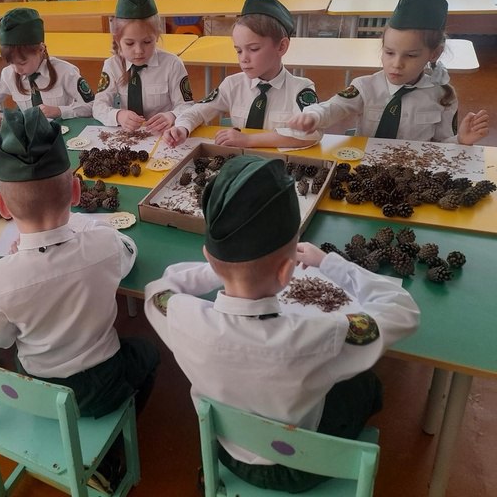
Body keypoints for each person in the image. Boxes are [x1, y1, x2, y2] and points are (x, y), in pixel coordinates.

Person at [144, 155, 420, 493]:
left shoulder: (181, 316)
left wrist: (225, 268)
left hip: (227, 451)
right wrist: (330, 263)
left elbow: (159, 290)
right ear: (288, 271)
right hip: (301, 466)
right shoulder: (322, 335)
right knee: (364, 384)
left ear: (209, 259)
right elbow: (403, 310)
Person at [0, 108, 160, 492]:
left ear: (2, 206)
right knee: (147, 353)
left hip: (38, 388)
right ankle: (112, 444)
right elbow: (128, 251)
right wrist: (84, 229)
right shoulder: (103, 244)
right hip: (103, 382)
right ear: (77, 192)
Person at [289, 0, 489, 144]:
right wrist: (313, 116)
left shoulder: (443, 96)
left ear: (434, 53)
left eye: (410, 55)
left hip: (413, 172)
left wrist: (461, 140)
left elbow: (443, 146)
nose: (397, 64)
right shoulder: (365, 86)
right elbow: (335, 107)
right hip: (364, 167)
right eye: (389, 52)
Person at [163, 0, 320, 149]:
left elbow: (312, 133)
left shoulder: (301, 89)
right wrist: (182, 128)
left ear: (281, 46)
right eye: (238, 50)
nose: (243, 58)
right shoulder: (232, 84)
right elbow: (197, 112)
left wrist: (249, 140)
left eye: (253, 49)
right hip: (239, 161)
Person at [92, 0, 193, 133]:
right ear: (117, 40)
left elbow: (187, 106)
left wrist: (171, 116)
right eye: (129, 43)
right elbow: (98, 106)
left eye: (147, 42)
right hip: (128, 136)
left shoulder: (172, 64)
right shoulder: (112, 65)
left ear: (157, 36)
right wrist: (118, 115)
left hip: (164, 135)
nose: (139, 51)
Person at [0, 7, 94, 126]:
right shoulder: (9, 74)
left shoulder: (65, 72)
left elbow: (91, 105)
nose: (17, 69)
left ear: (41, 49)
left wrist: (60, 111)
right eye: (11, 63)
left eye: (22, 63)